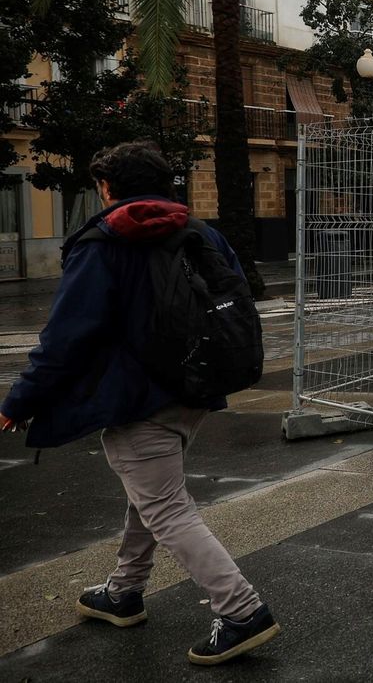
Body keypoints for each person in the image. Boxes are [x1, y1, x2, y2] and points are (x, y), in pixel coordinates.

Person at [0, 142, 279, 666]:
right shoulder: (203, 233)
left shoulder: (103, 240)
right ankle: (125, 591)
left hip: (135, 397)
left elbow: (67, 335)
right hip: (195, 387)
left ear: (108, 189)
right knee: (149, 492)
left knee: (165, 506)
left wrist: (20, 399)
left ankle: (241, 609)